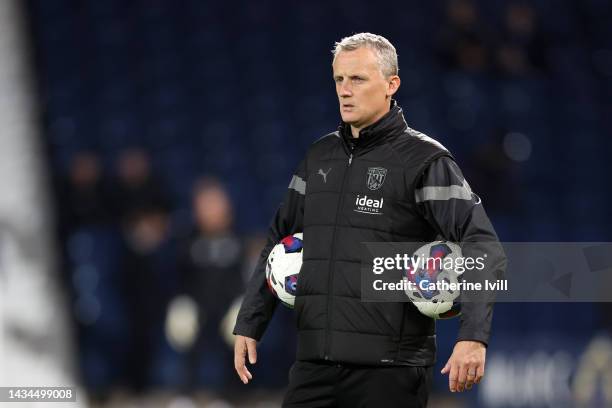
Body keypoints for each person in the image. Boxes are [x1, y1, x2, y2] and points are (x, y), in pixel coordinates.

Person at [233, 33, 505, 407]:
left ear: (391, 84)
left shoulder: (425, 160)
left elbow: (483, 246)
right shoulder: (318, 157)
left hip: (390, 372)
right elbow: (278, 239)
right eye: (339, 80)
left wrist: (473, 336)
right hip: (315, 366)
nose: (345, 90)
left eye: (357, 79)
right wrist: (250, 322)